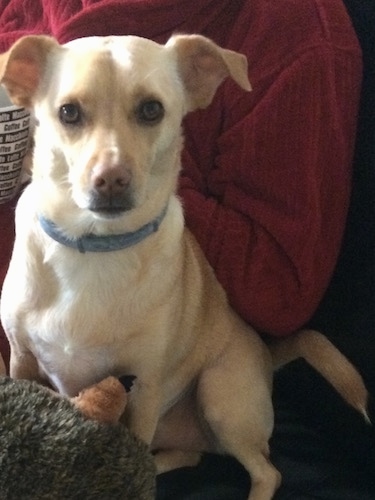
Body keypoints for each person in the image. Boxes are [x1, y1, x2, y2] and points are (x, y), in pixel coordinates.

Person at [0, 0, 373, 498]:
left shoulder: (298, 29)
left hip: (202, 372)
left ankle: (262, 476)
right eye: (73, 114)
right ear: (27, 89)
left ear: (197, 87)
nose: (111, 165)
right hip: (63, 337)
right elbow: (21, 364)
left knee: (214, 413)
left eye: (148, 111)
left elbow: (145, 394)